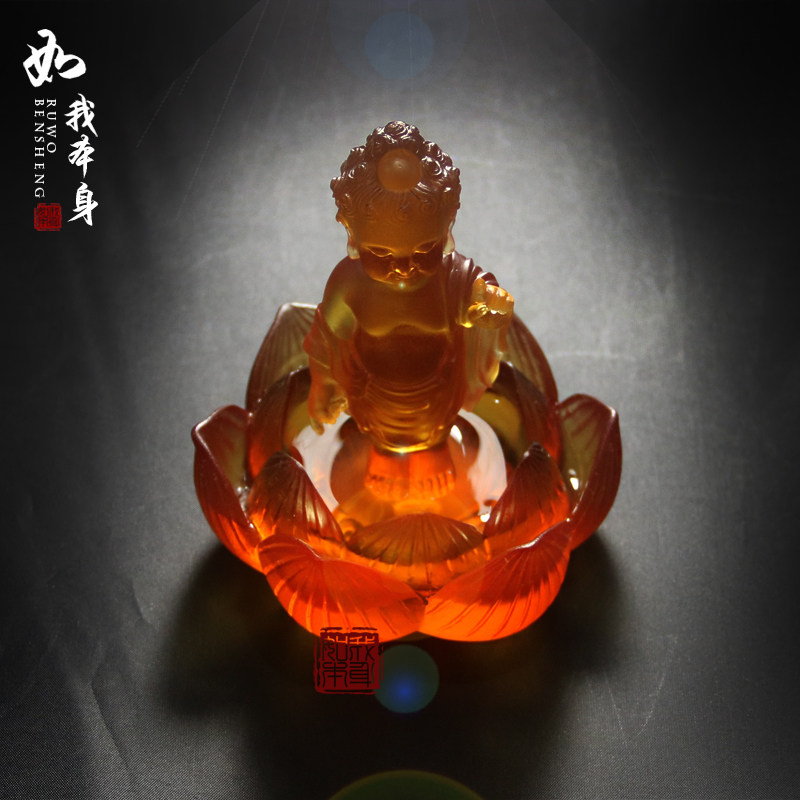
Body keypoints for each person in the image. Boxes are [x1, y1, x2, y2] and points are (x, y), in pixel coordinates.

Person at [304, 121, 514, 457]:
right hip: (373, 397)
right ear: (353, 237)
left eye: (423, 249)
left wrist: (488, 306)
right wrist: (322, 384)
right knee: (377, 450)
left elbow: (476, 294)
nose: (403, 269)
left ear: (446, 231)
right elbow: (326, 342)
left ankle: (438, 459)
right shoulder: (350, 283)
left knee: (435, 448)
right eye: (381, 253)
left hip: (437, 396)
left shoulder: (449, 277)